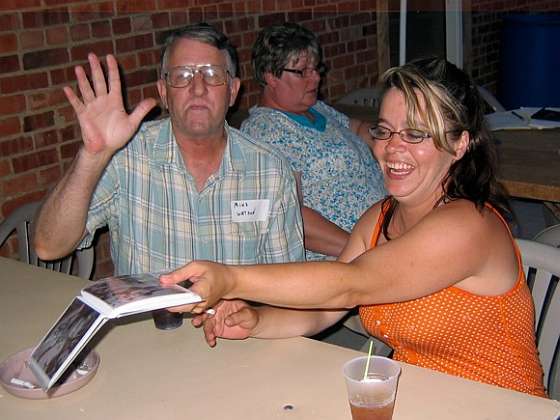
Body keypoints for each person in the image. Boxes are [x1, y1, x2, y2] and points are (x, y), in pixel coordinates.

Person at [161, 57, 547, 397]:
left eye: (415, 134)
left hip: (501, 407)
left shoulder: (469, 225)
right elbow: (326, 308)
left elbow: (348, 284)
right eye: (384, 130)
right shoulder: (379, 218)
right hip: (422, 401)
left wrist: (230, 279)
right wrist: (257, 320)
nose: (392, 148)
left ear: (460, 144)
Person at [33, 23, 305, 275]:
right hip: (145, 325)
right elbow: (49, 246)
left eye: (212, 75)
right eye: (182, 75)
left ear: (233, 91)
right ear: (163, 92)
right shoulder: (127, 156)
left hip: (238, 326)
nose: (198, 88)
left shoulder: (269, 170)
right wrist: (92, 156)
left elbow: (288, 283)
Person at [240, 22, 386, 260]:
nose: (316, 78)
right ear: (270, 77)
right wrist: (366, 251)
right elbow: (291, 216)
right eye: (302, 72)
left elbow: (357, 128)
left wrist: (391, 136)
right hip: (351, 254)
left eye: (316, 68)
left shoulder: (317, 109)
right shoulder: (263, 133)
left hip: (388, 228)